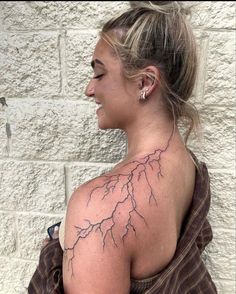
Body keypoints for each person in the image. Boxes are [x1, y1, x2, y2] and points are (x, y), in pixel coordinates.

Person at [29, 1, 217, 293]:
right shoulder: (185, 163)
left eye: (100, 74)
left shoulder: (99, 209)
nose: (90, 89)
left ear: (145, 81)